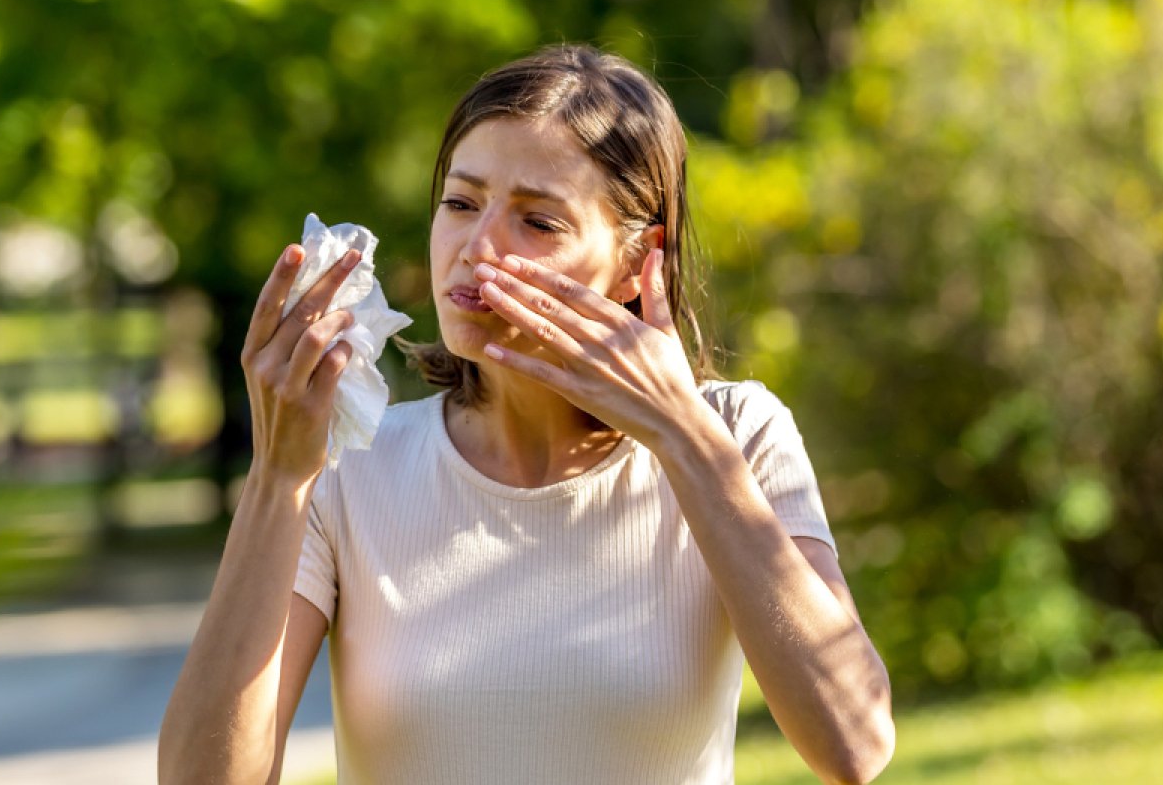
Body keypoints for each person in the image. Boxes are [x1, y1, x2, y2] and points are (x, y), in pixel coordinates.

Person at [159, 45, 894, 784]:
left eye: (538, 222)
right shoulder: (354, 468)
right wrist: (277, 477)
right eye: (460, 203)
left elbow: (854, 747)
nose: (475, 250)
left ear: (639, 262)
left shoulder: (737, 436)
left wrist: (683, 435)